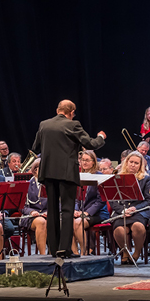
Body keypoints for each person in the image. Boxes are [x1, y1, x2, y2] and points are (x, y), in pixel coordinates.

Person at [32, 100, 106, 258]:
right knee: (67, 210)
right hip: (66, 174)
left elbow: (35, 147)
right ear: (71, 112)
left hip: (48, 173)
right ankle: (64, 249)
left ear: (57, 109)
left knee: (52, 210)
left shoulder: (44, 124)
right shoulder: (73, 125)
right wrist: (100, 137)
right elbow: (91, 143)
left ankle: (53, 248)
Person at [108, 151, 150, 264]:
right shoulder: (117, 177)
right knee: (119, 230)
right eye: (131, 162)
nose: (133, 165)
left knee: (138, 227)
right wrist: (123, 210)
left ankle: (137, 252)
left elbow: (148, 200)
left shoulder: (145, 178)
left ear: (140, 165)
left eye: (136, 163)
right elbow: (112, 200)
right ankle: (126, 253)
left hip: (138, 211)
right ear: (126, 162)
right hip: (121, 211)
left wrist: (134, 209)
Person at [72, 151, 108, 255]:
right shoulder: (78, 175)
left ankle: (85, 251)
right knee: (67, 221)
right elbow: (75, 198)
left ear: (93, 162)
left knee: (78, 222)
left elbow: (101, 200)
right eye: (83, 160)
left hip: (98, 213)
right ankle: (74, 252)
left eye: (87, 160)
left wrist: (87, 213)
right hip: (81, 212)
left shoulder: (99, 176)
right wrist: (75, 210)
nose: (84, 162)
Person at [20, 159, 48, 255]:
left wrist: (50, 212)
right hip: (30, 216)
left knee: (58, 220)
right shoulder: (27, 185)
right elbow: (22, 206)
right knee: (41, 221)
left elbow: (59, 203)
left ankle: (54, 253)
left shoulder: (50, 185)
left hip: (48, 214)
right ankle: (43, 255)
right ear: (35, 170)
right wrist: (31, 212)